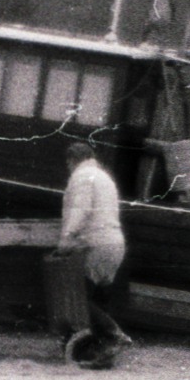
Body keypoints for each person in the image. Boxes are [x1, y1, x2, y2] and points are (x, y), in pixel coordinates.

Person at [55, 141, 133, 346]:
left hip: (95, 244)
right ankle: (102, 345)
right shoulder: (104, 177)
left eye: (68, 163)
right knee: (99, 299)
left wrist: (67, 237)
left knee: (77, 297)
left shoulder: (82, 177)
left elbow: (80, 210)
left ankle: (113, 333)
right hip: (114, 243)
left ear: (72, 161)